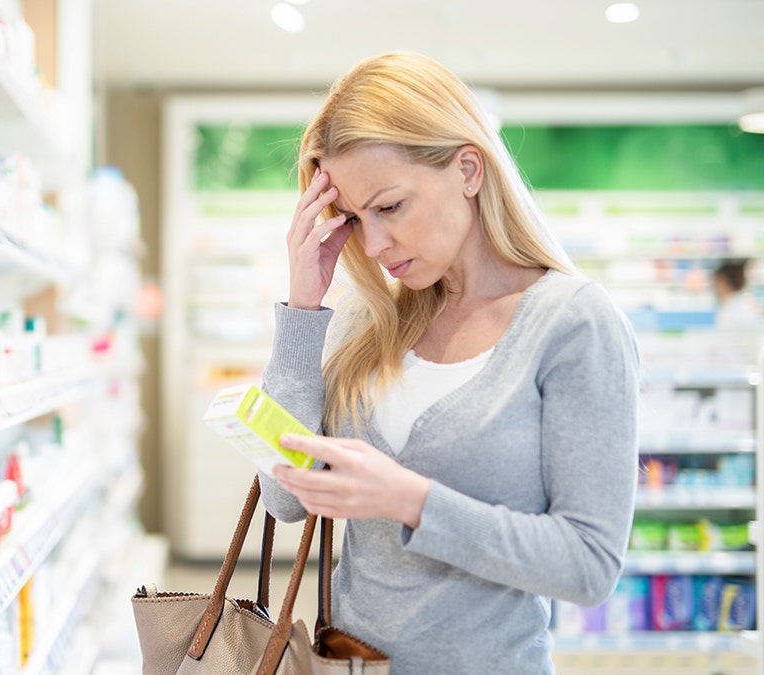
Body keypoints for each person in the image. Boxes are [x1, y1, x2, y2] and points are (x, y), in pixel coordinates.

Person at [259, 52, 640, 674]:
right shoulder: (369, 320)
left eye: (389, 207)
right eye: (353, 218)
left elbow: (589, 563)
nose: (374, 245)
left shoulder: (572, 323)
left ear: (468, 168)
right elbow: (284, 496)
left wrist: (412, 501)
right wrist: (302, 307)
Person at [713, 259, 761, 332]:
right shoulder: (742, 304)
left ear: (721, 280)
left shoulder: (732, 311)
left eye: (715, 281)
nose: (713, 286)